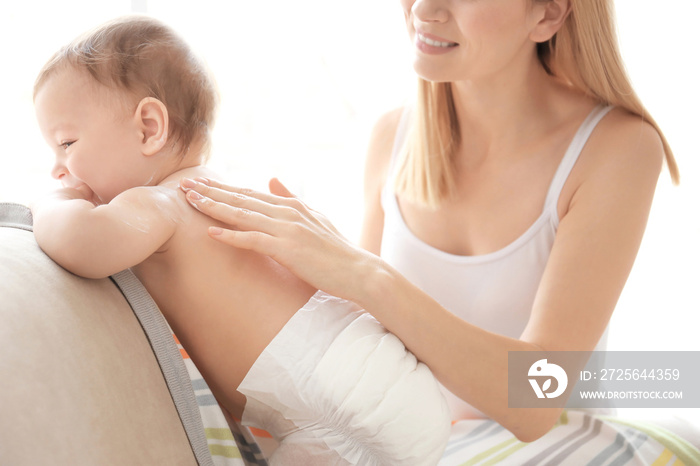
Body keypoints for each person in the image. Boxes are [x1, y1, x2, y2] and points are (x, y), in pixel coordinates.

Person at [177, 0, 688, 448]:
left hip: (557, 446)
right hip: (415, 445)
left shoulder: (616, 148)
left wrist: (364, 276)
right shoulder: (391, 138)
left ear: (548, 13)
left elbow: (538, 397)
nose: (424, 8)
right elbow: (360, 344)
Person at [30, 16, 451, 466]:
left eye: (67, 143)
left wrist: (51, 201)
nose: (58, 168)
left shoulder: (162, 203)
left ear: (149, 128)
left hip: (341, 406)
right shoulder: (212, 190)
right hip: (382, 383)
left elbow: (82, 244)